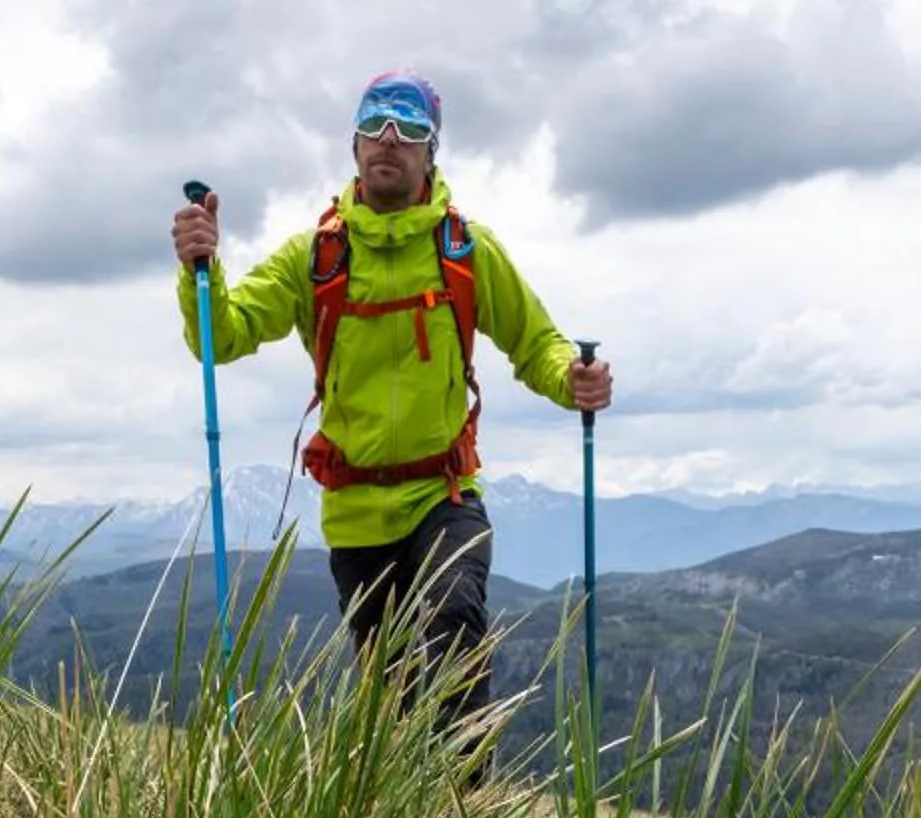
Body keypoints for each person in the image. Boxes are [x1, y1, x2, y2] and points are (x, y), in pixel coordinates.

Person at [170, 70, 612, 750]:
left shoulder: (464, 250)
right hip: (355, 512)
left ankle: (468, 816)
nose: (389, 141)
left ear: (431, 153)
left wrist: (572, 378)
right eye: (375, 125)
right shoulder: (314, 256)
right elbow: (218, 336)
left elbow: (535, 343)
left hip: (446, 491)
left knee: (454, 621)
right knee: (395, 694)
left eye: (409, 130)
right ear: (353, 147)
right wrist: (202, 269)